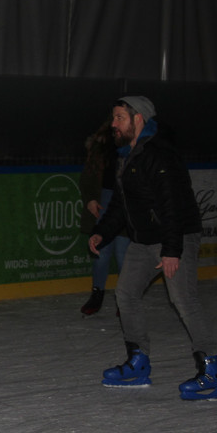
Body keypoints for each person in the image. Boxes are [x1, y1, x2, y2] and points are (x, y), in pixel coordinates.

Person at [88, 96, 217, 400]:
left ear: (138, 118)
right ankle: (138, 361)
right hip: (144, 240)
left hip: (175, 236)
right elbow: (120, 206)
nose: (114, 124)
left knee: (184, 300)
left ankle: (212, 372)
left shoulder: (160, 154)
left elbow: (172, 204)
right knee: (126, 293)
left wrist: (172, 250)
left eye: (120, 118)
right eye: (114, 118)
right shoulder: (126, 156)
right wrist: (101, 233)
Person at [78, 118, 129, 315]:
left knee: (123, 253)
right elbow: (87, 176)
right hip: (104, 200)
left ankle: (125, 299)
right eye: (115, 118)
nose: (117, 123)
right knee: (101, 251)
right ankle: (97, 293)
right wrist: (90, 199)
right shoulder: (101, 146)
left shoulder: (136, 145)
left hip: (125, 201)